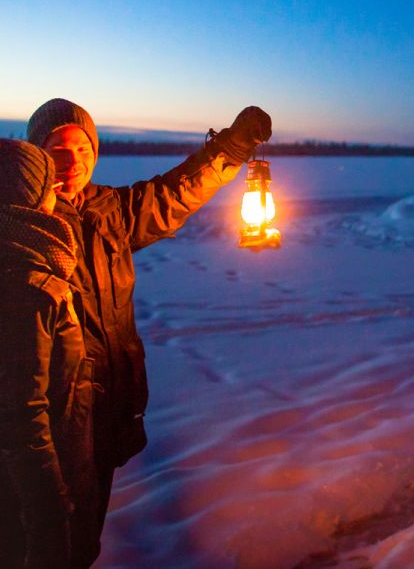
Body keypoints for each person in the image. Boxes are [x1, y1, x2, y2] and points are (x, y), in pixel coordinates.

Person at [25, 98, 271, 565]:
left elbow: (174, 192)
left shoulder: (108, 211)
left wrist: (231, 150)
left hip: (104, 410)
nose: (72, 161)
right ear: (36, 154)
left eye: (82, 148)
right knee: (45, 547)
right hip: (47, 424)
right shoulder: (22, 224)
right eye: (58, 148)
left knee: (81, 544)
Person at [0, 128, 94, 568]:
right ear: (35, 197)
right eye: (49, 185)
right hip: (11, 495)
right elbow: (18, 419)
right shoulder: (21, 283)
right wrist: (49, 513)